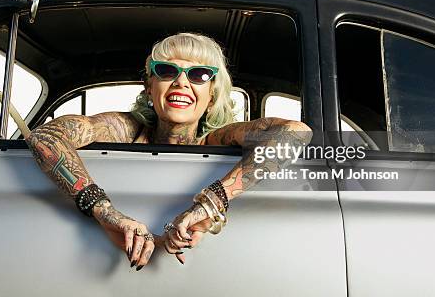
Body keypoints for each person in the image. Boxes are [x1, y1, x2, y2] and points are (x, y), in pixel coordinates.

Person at [25, 32, 311, 271]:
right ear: (149, 87)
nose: (181, 82)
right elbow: (46, 136)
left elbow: (296, 132)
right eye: (166, 70)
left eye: (199, 74)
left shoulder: (217, 141)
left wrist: (209, 204)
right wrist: (106, 213)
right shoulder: (127, 128)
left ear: (211, 95)